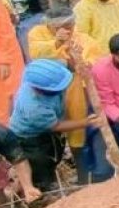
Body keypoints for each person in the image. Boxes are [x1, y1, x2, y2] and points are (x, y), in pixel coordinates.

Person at [27, 8, 112, 184]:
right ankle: (70, 179)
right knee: (61, 136)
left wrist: (77, 62)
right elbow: (37, 54)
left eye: (68, 26)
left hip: (79, 93)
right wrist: (57, 44)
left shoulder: (84, 39)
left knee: (86, 130)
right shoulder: (38, 34)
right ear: (49, 25)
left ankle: (95, 174)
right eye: (59, 27)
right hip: (48, 94)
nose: (65, 30)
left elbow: (92, 65)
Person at [9, 59, 99, 193]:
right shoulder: (34, 107)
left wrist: (80, 64)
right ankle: (33, 193)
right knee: (39, 167)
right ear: (41, 90)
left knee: (54, 156)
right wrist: (85, 122)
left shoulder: (46, 71)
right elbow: (56, 126)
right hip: (30, 139)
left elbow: (67, 64)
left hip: (47, 128)